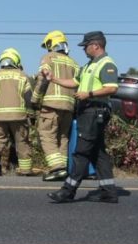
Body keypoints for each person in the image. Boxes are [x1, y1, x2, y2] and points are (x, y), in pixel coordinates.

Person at [45, 31, 121, 203]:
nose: (84, 49)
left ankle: (68, 190)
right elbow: (74, 82)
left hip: (94, 112)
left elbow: (111, 87)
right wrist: (53, 79)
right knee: (98, 153)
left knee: (81, 153)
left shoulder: (106, 64)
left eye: (86, 46)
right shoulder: (88, 66)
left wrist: (89, 94)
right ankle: (109, 192)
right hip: (89, 112)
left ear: (96, 45)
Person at [32, 30, 79, 182]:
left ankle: (57, 168)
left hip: (51, 105)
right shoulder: (74, 63)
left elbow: (43, 79)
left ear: (51, 44)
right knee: (63, 138)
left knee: (47, 135)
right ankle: (63, 169)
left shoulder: (48, 57)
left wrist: (35, 100)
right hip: (69, 107)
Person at [0, 48, 34, 176]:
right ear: (16, 60)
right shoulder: (22, 76)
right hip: (19, 117)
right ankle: (25, 170)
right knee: (22, 143)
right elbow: (29, 98)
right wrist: (31, 115)